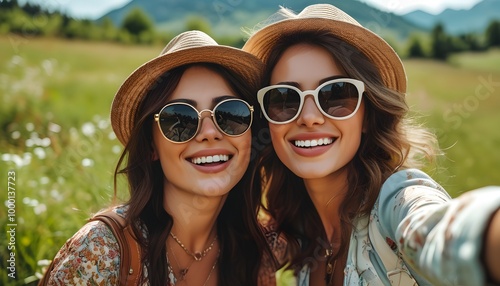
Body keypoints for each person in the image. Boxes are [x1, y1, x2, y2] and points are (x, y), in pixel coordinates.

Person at [243, 4, 500, 285]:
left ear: (368, 116)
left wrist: (486, 231)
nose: (309, 117)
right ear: (268, 120)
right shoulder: (301, 233)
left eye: (336, 94)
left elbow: (439, 229)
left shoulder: (395, 203)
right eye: (285, 99)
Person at [41, 30, 278, 285]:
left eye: (231, 114)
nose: (209, 133)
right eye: (179, 119)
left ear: (251, 134)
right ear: (151, 147)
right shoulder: (102, 251)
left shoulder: (255, 255)